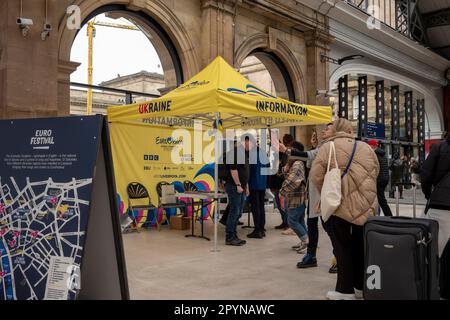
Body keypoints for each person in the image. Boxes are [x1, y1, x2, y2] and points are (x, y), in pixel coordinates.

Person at [310, 118, 379, 300]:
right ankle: (360, 287)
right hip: (365, 206)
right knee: (360, 246)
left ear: (335, 130)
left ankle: (344, 290)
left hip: (339, 205)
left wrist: (325, 191)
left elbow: (315, 175)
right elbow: (376, 172)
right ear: (350, 130)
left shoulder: (328, 147)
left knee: (341, 247)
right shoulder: (366, 148)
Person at [280, 124, 338, 273]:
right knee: (312, 225)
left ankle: (338, 258)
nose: (324, 130)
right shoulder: (322, 146)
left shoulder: (331, 145)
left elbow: (308, 156)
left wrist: (286, 150)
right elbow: (311, 162)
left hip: (324, 194)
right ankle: (311, 255)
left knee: (329, 227)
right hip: (313, 194)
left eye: (328, 129)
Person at [421, 131, 450, 256]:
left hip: (441, 204)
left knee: (437, 252)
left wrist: (429, 195)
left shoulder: (439, 147)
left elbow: (426, 175)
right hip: (442, 202)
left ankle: (436, 275)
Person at [224, 134, 254, 246]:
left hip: (242, 187)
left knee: (239, 212)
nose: (252, 145)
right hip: (234, 186)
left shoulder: (245, 153)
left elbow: (245, 172)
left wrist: (246, 187)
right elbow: (233, 170)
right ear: (245, 141)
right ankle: (230, 237)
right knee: (234, 212)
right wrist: (238, 185)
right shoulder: (236, 152)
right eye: (251, 142)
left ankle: (234, 235)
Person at [279, 158, 308, 254]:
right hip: (295, 197)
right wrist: (285, 169)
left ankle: (306, 242)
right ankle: (306, 241)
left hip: (296, 198)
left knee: (292, 221)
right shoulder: (294, 163)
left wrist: (282, 191)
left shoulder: (297, 163)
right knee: (299, 220)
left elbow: (294, 180)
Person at [247, 144, 269, 239]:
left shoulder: (252, 154)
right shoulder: (263, 153)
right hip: (262, 183)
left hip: (254, 184)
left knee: (255, 208)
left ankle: (257, 230)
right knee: (261, 207)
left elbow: (249, 170)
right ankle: (261, 229)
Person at [368, 140, 392, 216]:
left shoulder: (375, 154)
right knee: (379, 198)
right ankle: (379, 213)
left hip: (379, 179)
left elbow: (374, 167)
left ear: (372, 146)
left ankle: (388, 215)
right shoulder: (382, 153)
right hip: (384, 178)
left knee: (381, 199)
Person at [268, 147, 289, 230]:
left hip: (281, 186)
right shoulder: (274, 158)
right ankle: (284, 222)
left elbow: (282, 172)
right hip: (276, 186)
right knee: (279, 206)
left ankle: (288, 223)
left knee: (283, 206)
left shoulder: (284, 157)